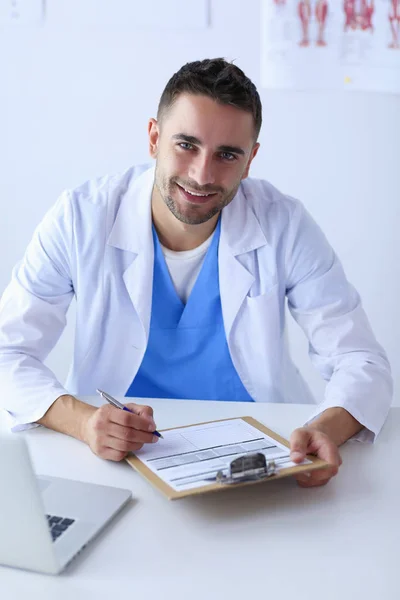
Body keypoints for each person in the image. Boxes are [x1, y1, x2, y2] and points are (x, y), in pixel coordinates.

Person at [0, 58, 392, 488]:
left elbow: (360, 359)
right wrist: (85, 422)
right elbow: (8, 352)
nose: (202, 175)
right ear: (153, 138)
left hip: (261, 461)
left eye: (227, 154)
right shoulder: (81, 217)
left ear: (250, 160)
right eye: (186, 145)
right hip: (116, 461)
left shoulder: (283, 224)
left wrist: (326, 429)